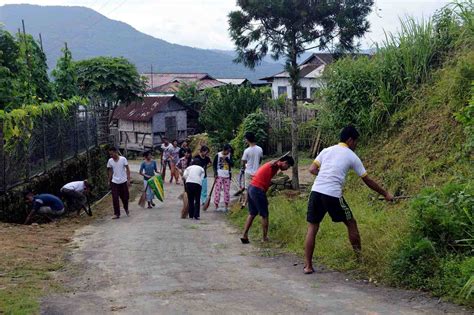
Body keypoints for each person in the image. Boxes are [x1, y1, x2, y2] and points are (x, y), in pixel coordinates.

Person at [303, 125, 394, 274]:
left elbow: (312, 169)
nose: (356, 145)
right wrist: (385, 194)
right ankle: (359, 259)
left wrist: (325, 175)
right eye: (356, 141)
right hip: (332, 194)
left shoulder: (326, 150)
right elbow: (367, 180)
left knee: (312, 227)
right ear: (350, 140)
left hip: (316, 192)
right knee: (351, 223)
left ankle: (308, 266)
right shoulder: (351, 156)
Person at [241, 155, 294, 244]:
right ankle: (264, 238)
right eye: (288, 166)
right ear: (285, 163)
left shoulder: (275, 165)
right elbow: (272, 163)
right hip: (257, 189)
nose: (287, 169)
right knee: (265, 215)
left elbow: (272, 163)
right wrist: (273, 162)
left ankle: (244, 235)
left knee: (252, 213)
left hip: (252, 187)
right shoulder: (275, 164)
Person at [107, 147, 131, 219]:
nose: (111, 156)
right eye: (110, 155)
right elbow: (110, 171)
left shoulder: (123, 159)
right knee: (115, 198)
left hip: (123, 181)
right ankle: (117, 213)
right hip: (114, 182)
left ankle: (126, 208)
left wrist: (128, 180)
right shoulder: (110, 161)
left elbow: (128, 169)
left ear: (115, 152)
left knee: (125, 197)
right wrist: (109, 180)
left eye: (112, 154)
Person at [240, 132, 263, 207]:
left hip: (248, 172)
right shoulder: (260, 149)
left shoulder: (246, 150)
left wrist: (243, 167)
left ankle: (245, 203)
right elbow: (260, 159)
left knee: (247, 188)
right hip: (257, 172)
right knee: (256, 188)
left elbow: (243, 161)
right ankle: (256, 202)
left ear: (247, 140)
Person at [213, 144, 233, 211]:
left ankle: (226, 206)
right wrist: (215, 173)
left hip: (227, 175)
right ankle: (216, 205)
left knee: (226, 191)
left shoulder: (229, 155)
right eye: (227, 151)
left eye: (229, 151)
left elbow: (232, 164)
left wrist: (227, 159)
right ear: (224, 150)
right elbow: (214, 165)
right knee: (217, 191)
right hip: (219, 175)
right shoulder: (218, 155)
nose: (228, 152)